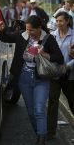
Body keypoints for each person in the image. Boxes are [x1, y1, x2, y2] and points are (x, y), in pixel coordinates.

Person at [0, 15, 64, 145]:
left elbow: (59, 58)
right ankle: (40, 133)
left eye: (32, 30)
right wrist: (2, 29)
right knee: (32, 112)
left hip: (41, 79)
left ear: (39, 28)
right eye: (27, 29)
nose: (29, 32)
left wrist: (44, 54)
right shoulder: (22, 35)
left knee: (39, 110)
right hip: (24, 79)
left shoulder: (48, 39)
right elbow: (5, 37)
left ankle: (41, 140)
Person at [47, 11, 74, 140]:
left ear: (67, 21)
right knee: (52, 101)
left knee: (72, 102)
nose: (58, 23)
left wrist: (68, 66)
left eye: (61, 21)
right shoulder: (52, 36)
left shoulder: (73, 35)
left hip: (70, 75)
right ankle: (50, 131)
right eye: (57, 21)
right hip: (55, 75)